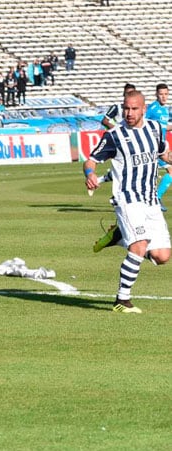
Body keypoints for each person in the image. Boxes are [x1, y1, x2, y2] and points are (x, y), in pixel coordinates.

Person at [84, 90, 172, 314]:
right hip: (127, 199)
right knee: (140, 246)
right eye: (126, 108)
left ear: (144, 109)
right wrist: (90, 175)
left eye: (134, 109)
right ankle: (122, 300)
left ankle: (119, 236)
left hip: (150, 200)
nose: (129, 113)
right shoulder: (114, 135)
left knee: (162, 257)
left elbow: (163, 152)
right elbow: (91, 160)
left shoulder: (155, 128)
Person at [146, 83, 171, 211]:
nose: (164, 97)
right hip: (153, 147)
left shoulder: (165, 110)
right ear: (156, 94)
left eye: (166, 94)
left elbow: (164, 126)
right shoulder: (152, 108)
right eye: (161, 94)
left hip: (161, 146)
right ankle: (156, 197)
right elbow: (142, 122)